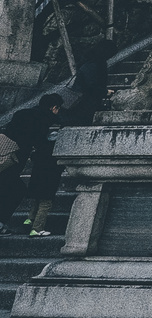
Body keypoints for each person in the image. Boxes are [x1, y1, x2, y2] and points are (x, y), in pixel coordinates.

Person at [24, 46, 111, 236]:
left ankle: (28, 220)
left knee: (36, 198)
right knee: (46, 200)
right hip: (49, 169)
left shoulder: (41, 124)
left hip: (39, 166)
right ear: (54, 107)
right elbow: (92, 88)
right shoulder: (95, 68)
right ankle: (36, 228)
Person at [0, 96, 61, 235]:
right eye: (58, 109)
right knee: (16, 189)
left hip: (4, 153)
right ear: (54, 108)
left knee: (12, 188)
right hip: (13, 159)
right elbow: (40, 143)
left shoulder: (22, 113)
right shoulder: (44, 120)